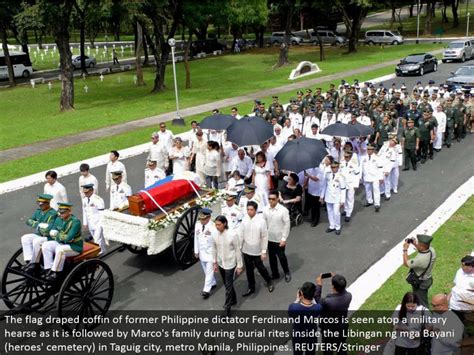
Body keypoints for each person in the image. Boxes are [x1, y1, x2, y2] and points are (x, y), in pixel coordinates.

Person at [239, 201, 274, 296]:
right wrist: (239, 247)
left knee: (261, 268)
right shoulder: (244, 220)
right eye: (248, 209)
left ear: (255, 210)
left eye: (251, 210)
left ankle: (269, 281)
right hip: (246, 250)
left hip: (257, 251)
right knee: (249, 270)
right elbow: (241, 234)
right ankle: (251, 287)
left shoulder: (261, 221)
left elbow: (264, 237)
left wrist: (263, 251)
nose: (249, 211)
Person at [41, 203, 83, 281]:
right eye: (60, 212)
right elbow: (52, 231)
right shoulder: (58, 219)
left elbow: (68, 238)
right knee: (46, 245)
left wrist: (56, 235)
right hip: (62, 243)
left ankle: (56, 272)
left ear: (69, 212)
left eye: (63, 212)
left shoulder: (75, 222)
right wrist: (53, 233)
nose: (61, 214)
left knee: (60, 250)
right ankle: (48, 269)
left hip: (74, 246)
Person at [212, 215, 243, 316]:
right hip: (221, 263)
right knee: (227, 284)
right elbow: (214, 249)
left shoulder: (233, 234)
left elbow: (238, 250)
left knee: (228, 287)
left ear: (224, 224)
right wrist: (215, 262)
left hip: (230, 264)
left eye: (219, 225)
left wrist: (239, 265)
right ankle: (233, 299)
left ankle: (227, 309)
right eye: (216, 225)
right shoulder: (214, 234)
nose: (217, 227)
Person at [315, 273, 352, 355]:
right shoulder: (349, 296)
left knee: (328, 350)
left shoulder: (327, 301)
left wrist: (319, 285)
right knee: (341, 347)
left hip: (328, 331)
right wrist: (337, 278)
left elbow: (317, 299)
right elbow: (343, 290)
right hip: (342, 328)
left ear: (333, 286)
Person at [21, 194, 57, 271]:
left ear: (48, 203)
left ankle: (35, 263)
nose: (40, 205)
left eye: (42, 203)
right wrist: (39, 225)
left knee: (36, 241)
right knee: (25, 238)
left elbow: (47, 230)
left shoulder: (53, 214)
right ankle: (29, 261)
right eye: (39, 203)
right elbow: (28, 221)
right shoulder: (38, 212)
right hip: (40, 234)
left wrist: (36, 224)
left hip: (49, 237)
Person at [264, 190, 291, 282]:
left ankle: (286, 272)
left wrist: (284, 239)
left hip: (279, 239)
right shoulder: (265, 209)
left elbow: (287, 226)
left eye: (273, 199)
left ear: (277, 199)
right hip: (269, 238)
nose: (271, 201)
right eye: (269, 199)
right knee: (271, 258)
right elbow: (263, 224)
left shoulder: (283, 211)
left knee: (281, 257)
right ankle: (275, 273)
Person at [288, 282, 323, 355]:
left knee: (297, 353)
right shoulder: (318, 308)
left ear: (302, 294)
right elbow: (316, 304)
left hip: (298, 336)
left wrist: (297, 299)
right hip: (311, 336)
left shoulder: (293, 307)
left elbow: (290, 314)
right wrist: (313, 299)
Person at [403, 234, 437, 308]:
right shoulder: (432, 250)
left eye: (418, 243)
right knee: (417, 297)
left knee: (422, 302)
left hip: (421, 282)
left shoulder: (421, 260)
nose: (417, 244)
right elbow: (422, 248)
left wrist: (405, 249)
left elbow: (406, 263)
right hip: (427, 279)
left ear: (422, 247)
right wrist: (415, 244)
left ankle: (426, 317)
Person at [194, 208, 217, 299]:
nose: (201, 221)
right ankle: (213, 282)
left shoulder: (213, 226)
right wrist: (196, 251)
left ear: (209, 218)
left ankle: (206, 290)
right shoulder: (197, 225)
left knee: (209, 271)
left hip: (211, 253)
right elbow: (196, 238)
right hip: (202, 253)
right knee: (205, 270)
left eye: (203, 219)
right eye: (201, 219)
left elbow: (216, 242)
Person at [320, 161, 346, 235]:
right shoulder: (327, 174)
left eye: (334, 167)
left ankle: (337, 227)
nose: (333, 169)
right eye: (331, 167)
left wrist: (343, 200)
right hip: (328, 197)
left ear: (337, 167)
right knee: (330, 212)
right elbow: (324, 186)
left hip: (337, 197)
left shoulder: (341, 177)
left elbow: (343, 189)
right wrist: (322, 196)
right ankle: (332, 226)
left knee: (336, 213)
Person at [81, 183, 106, 254]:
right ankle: (103, 250)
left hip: (98, 223)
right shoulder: (84, 200)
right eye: (84, 192)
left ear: (92, 191)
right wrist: (85, 223)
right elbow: (84, 212)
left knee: (97, 240)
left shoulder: (98, 200)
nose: (86, 194)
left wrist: (101, 225)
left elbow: (102, 213)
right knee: (98, 239)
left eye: (87, 192)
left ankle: (98, 253)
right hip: (90, 223)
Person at [448, 255, 474, 321]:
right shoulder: (459, 271)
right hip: (454, 305)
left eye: (463, 265)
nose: (461, 267)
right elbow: (455, 286)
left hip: (468, 309)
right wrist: (448, 297)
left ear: (471, 267)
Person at [360, 144, 382, 212]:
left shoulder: (377, 157)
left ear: (373, 150)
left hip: (375, 176)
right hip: (367, 176)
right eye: (368, 149)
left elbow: (380, 168)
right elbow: (361, 167)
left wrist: (381, 177)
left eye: (370, 149)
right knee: (367, 189)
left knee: (376, 190)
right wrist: (360, 176)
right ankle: (369, 201)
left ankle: (377, 204)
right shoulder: (363, 157)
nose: (368, 151)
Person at [339, 150, 360, 222]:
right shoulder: (342, 163)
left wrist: (356, 184)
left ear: (350, 157)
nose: (346, 158)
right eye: (345, 156)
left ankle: (348, 214)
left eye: (347, 157)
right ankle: (345, 210)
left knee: (350, 199)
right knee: (344, 198)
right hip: (343, 184)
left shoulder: (354, 164)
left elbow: (357, 175)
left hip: (351, 183)